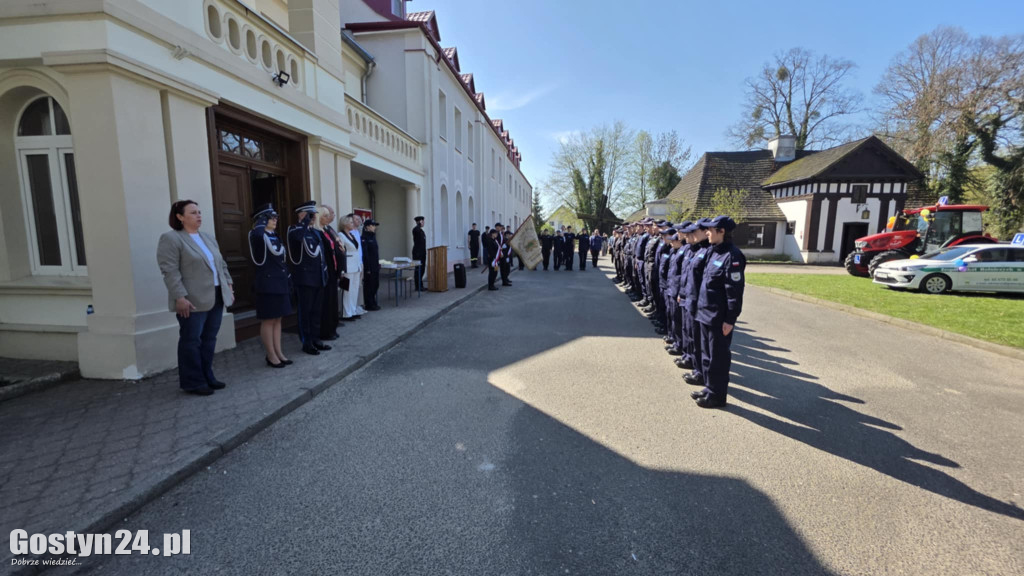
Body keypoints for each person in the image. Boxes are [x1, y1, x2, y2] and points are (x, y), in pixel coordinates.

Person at [158, 200, 235, 395]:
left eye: (199, 212)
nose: (199, 215)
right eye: (193, 212)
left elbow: (221, 264)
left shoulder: (208, 238)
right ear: (180, 217)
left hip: (216, 296)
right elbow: (170, 271)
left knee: (209, 339)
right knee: (191, 341)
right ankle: (193, 381)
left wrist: (228, 285)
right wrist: (180, 297)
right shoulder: (172, 239)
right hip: (192, 301)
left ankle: (207, 375)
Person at [692, 216, 746, 409]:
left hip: (718, 317)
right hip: (704, 313)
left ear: (722, 231)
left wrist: (730, 319)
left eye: (711, 229)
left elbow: (734, 291)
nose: (707, 232)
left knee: (718, 359)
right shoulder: (712, 253)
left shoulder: (732, 256)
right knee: (706, 356)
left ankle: (718, 396)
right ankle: (709, 388)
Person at [248, 204, 292, 368]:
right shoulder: (256, 235)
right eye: (271, 217)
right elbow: (258, 237)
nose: (275, 220)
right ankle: (271, 355)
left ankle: (279, 352)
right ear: (262, 219)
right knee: (268, 320)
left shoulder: (275, 236)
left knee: (278, 319)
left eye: (275, 217)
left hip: (279, 282)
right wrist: (260, 222)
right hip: (267, 284)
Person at [287, 201, 330, 356]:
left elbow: (322, 256)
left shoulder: (315, 232)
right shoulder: (294, 230)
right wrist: (304, 221)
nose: (313, 218)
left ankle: (316, 338)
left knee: (316, 311)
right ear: (301, 214)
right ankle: (307, 342)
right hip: (305, 279)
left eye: (313, 215)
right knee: (305, 312)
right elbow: (297, 240)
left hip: (318, 278)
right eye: (310, 214)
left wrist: (325, 274)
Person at [318, 206, 342, 342]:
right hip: (326, 270)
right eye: (327, 215)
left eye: (330, 214)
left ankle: (332, 327)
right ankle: (326, 330)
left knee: (333, 300)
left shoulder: (328, 230)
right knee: (326, 302)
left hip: (334, 269)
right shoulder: (318, 232)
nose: (330, 217)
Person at [338, 214, 364, 320]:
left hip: (356, 265)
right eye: (351, 222)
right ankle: (346, 313)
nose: (353, 224)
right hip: (348, 266)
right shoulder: (341, 235)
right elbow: (341, 252)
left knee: (354, 289)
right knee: (347, 290)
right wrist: (342, 269)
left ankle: (353, 310)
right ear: (345, 223)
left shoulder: (352, 235)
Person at [362, 219, 382, 310]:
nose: (375, 227)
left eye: (374, 225)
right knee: (369, 286)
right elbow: (365, 255)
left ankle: (373, 302)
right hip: (369, 266)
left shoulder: (373, 237)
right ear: (367, 227)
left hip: (375, 265)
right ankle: (369, 304)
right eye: (373, 225)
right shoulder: (364, 238)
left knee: (375, 284)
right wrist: (367, 268)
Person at [412, 216, 427, 291]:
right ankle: (417, 286)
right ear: (420, 221)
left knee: (422, 269)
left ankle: (421, 285)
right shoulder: (416, 230)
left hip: (422, 253)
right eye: (422, 221)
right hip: (417, 253)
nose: (424, 223)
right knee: (418, 269)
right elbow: (416, 230)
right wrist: (418, 224)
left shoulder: (421, 231)